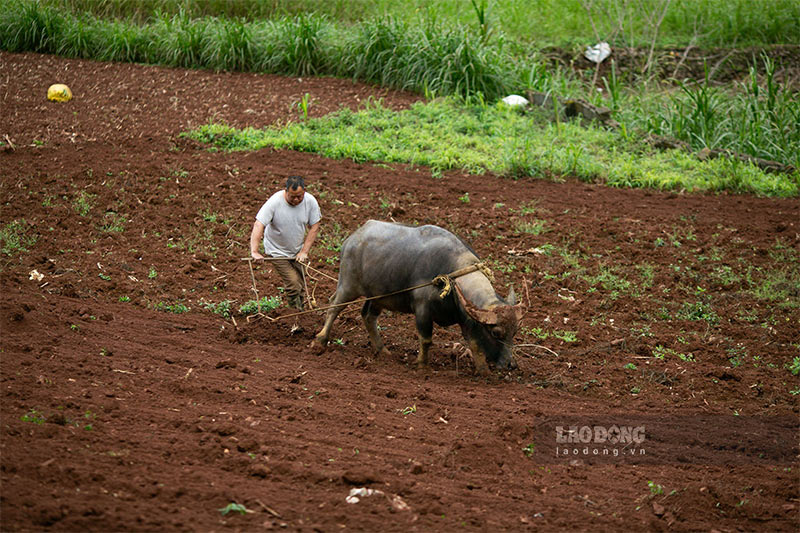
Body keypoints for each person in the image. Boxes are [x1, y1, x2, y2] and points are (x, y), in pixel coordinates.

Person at [250, 175, 321, 310]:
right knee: (293, 284)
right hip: (276, 251)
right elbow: (259, 224)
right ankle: (294, 315)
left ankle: (300, 313)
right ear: (286, 191)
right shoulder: (275, 202)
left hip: (297, 250)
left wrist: (304, 251)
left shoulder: (310, 201)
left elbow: (315, 226)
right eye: (292, 196)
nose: (296, 200)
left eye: (299, 196)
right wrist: (254, 251)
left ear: (304, 191)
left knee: (301, 283)